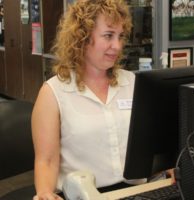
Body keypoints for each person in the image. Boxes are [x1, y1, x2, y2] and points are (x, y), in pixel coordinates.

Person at [31, 0, 137, 199]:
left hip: (138, 191)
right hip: (83, 195)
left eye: (120, 36)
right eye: (108, 36)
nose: (117, 46)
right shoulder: (54, 92)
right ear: (82, 37)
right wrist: (45, 192)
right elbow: (46, 160)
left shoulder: (132, 83)